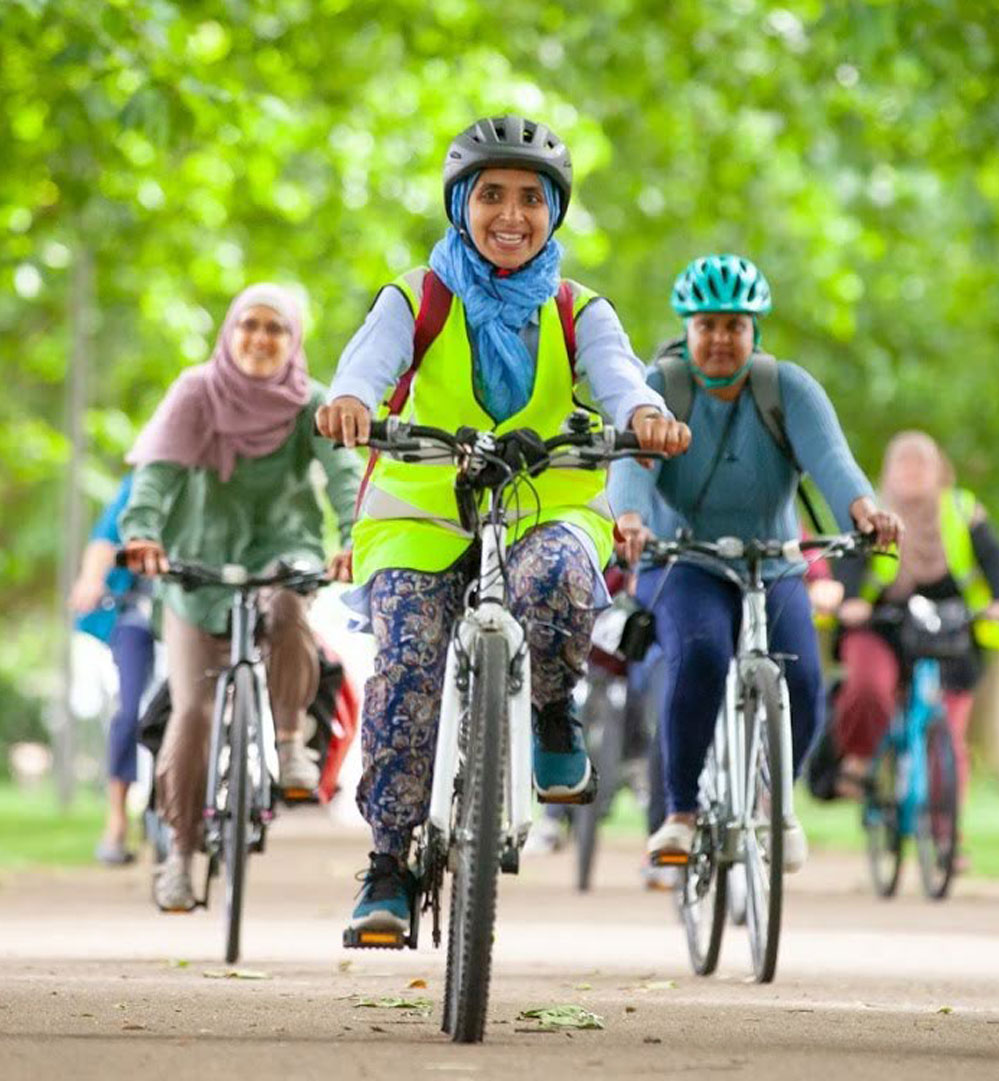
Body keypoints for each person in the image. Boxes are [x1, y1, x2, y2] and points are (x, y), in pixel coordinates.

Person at [317, 116, 691, 939]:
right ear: (460, 204)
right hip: (419, 507)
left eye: (532, 197)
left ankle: (555, 708)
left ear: (555, 211)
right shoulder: (415, 294)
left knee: (555, 578)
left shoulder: (576, 306)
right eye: (491, 195)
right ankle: (387, 862)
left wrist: (647, 415)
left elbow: (622, 377)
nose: (511, 214)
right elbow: (367, 363)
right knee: (409, 661)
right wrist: (349, 399)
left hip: (546, 499)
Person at [612, 254, 899, 873]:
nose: (719, 338)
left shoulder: (785, 388)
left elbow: (832, 460)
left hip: (775, 563)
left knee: (803, 683)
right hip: (682, 560)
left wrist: (866, 510)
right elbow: (632, 464)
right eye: (707, 325)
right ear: (688, 329)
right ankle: (682, 814)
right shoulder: (661, 390)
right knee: (703, 655)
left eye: (734, 326)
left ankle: (775, 801)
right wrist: (630, 520)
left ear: (754, 331)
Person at [119, 283, 361, 912]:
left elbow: (343, 476)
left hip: (285, 554)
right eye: (249, 325)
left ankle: (287, 741)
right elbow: (156, 475)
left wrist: (357, 535)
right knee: (194, 711)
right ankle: (182, 852)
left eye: (275, 328)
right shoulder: (196, 393)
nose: (260, 338)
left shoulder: (311, 403)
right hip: (197, 570)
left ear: (294, 340)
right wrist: (143, 533)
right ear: (229, 333)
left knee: (288, 603)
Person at [829, 431, 999, 810]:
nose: (912, 472)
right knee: (868, 685)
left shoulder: (962, 509)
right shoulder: (871, 510)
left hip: (949, 628)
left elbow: (995, 559)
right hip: (882, 625)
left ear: (939, 471)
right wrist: (849, 600)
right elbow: (848, 562)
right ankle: (860, 760)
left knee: (951, 729)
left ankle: (947, 837)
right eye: (903, 463)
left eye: (921, 464)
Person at [69, 471, 157, 866]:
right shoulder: (143, 479)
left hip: (200, 603)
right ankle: (117, 818)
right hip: (139, 611)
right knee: (130, 710)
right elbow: (105, 538)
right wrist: (91, 579)